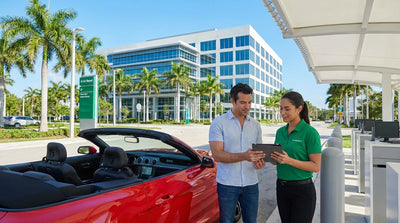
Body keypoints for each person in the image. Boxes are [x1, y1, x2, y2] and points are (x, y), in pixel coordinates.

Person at [209, 83, 266, 223]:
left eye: (249, 102)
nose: (247, 106)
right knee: (227, 221)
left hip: (251, 183)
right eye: (242, 102)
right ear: (232, 101)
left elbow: (259, 152)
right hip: (227, 184)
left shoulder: (256, 125)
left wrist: (260, 162)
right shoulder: (219, 123)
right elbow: (217, 155)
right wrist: (244, 156)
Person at [270, 91, 321, 223]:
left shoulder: (310, 133)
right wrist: (271, 158)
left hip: (302, 191)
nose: (282, 112)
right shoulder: (280, 132)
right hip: (281, 188)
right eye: (281, 108)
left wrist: (289, 160)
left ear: (299, 109)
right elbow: (277, 161)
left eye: (287, 109)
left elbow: (316, 166)